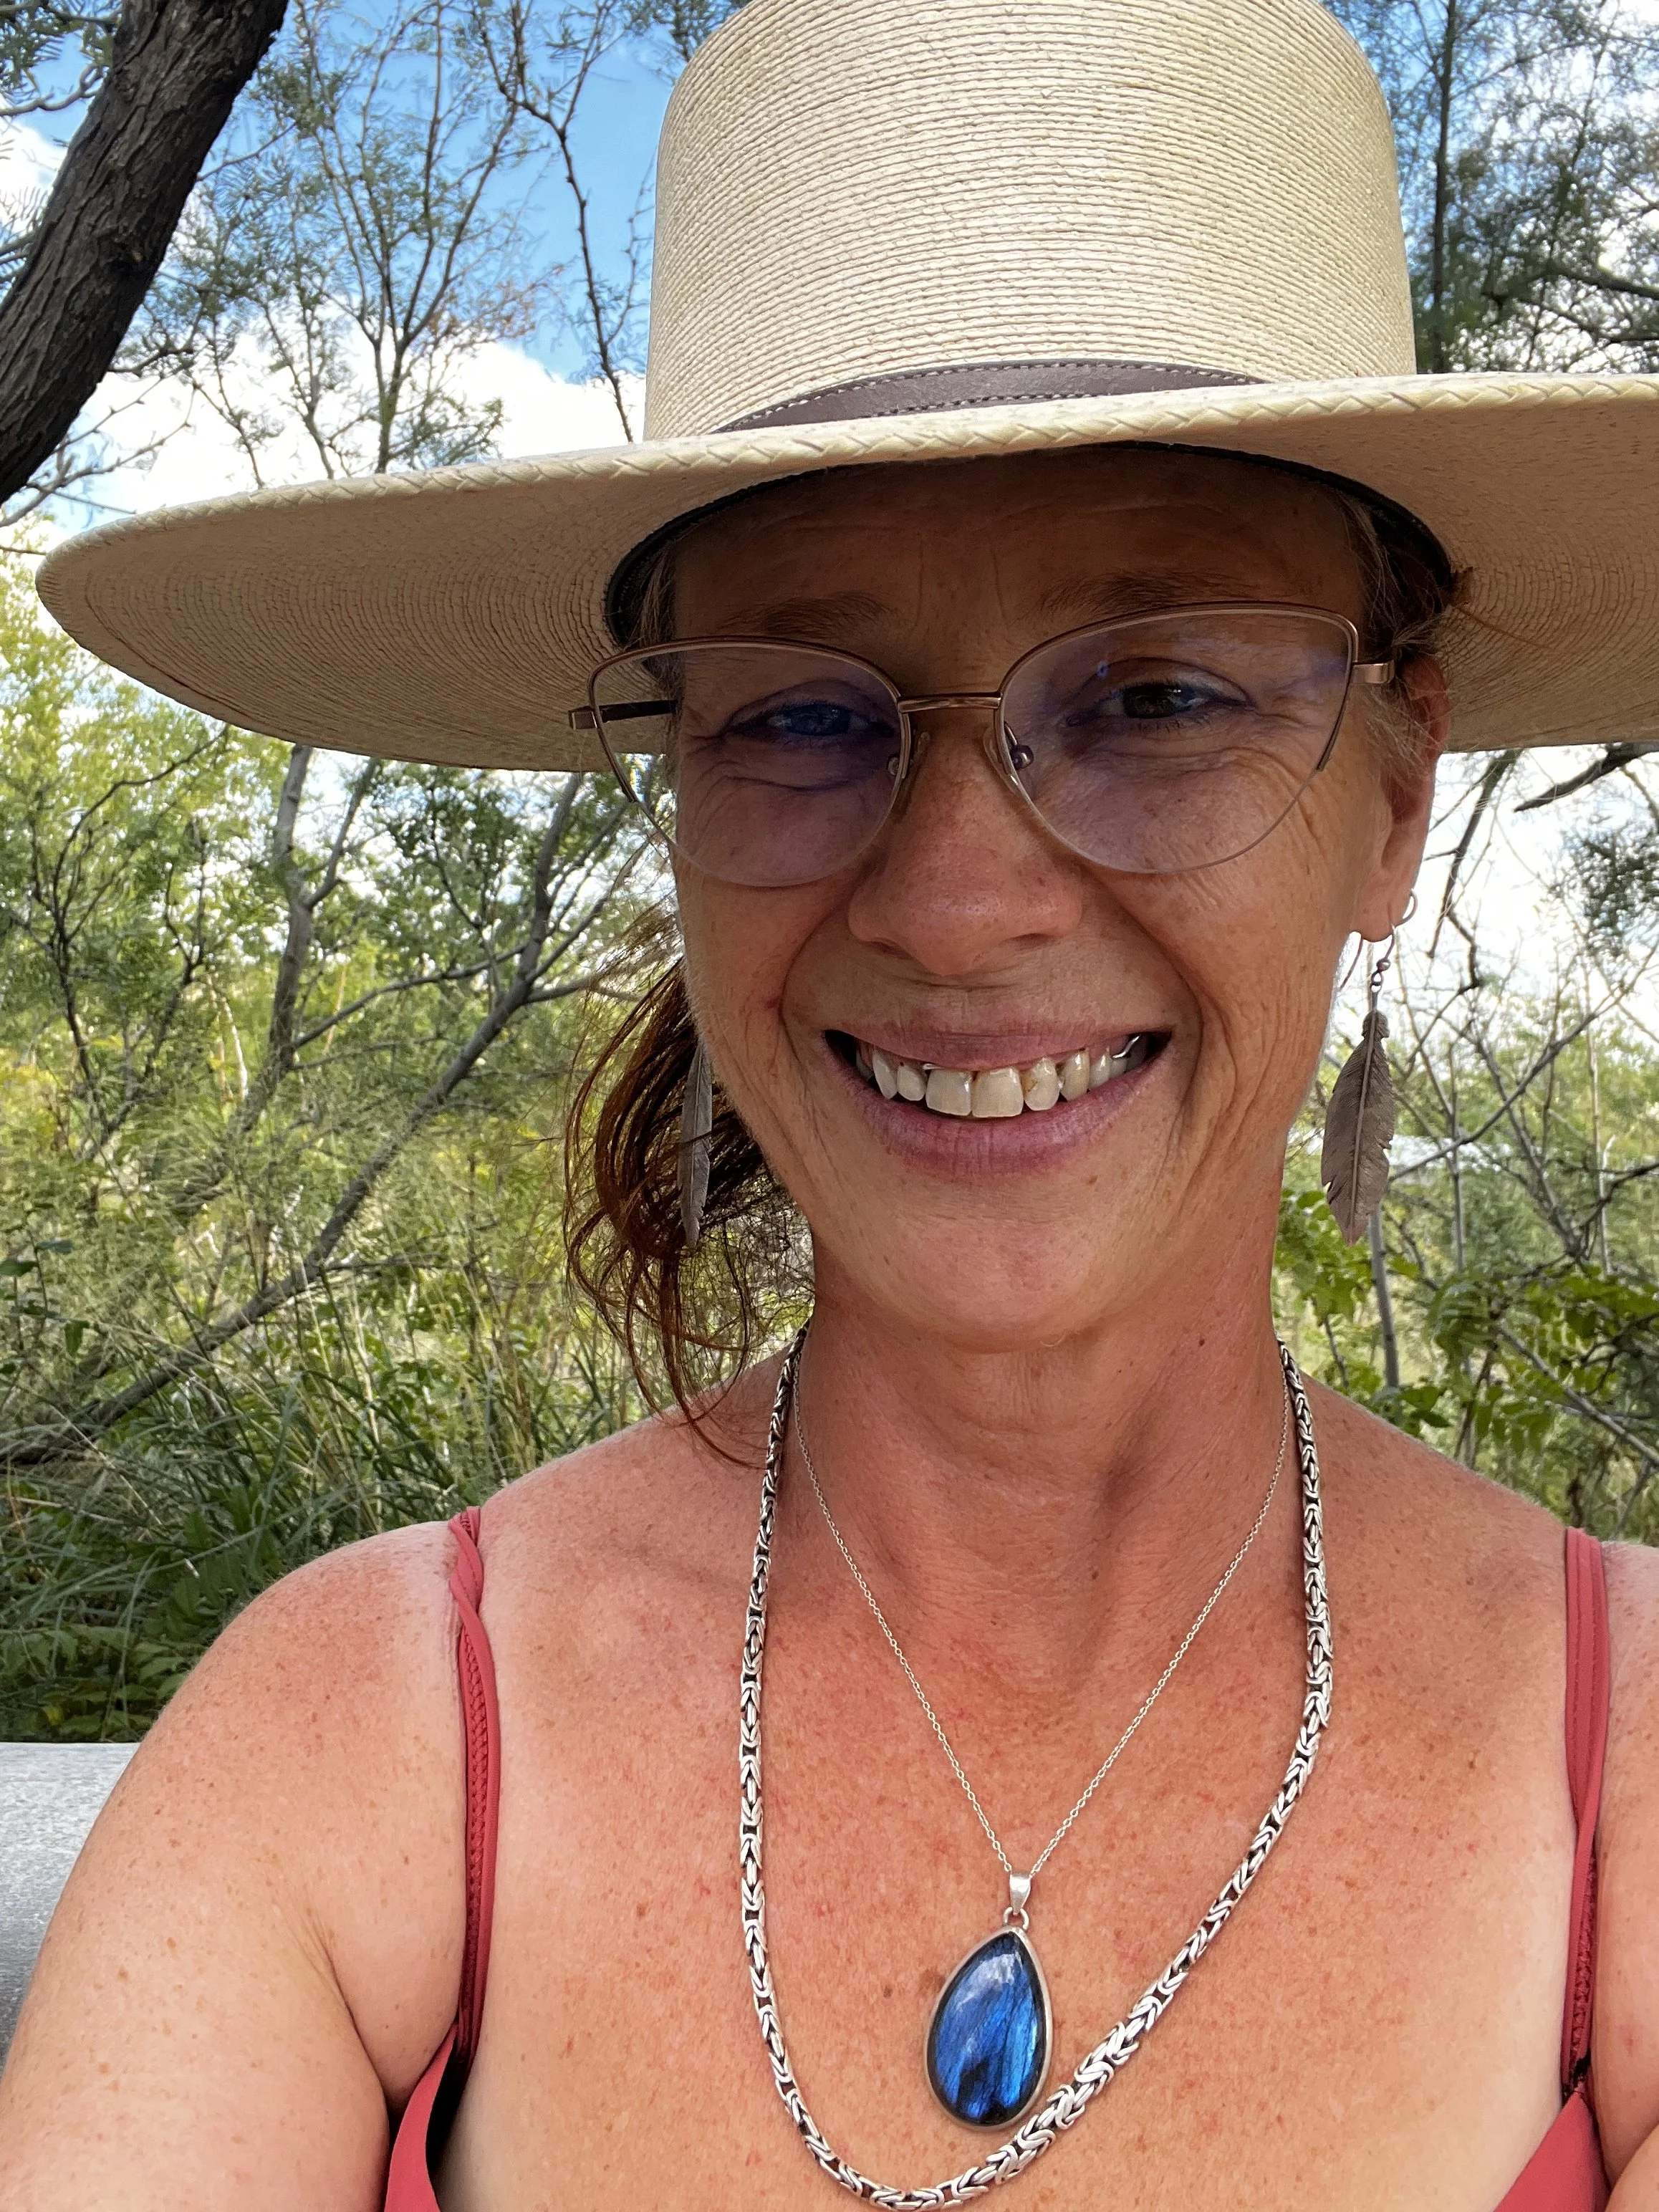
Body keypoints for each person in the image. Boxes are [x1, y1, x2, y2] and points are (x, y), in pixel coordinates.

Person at [6, 0, 1659, 2203]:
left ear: (1393, 797)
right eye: (795, 715)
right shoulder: (357, 1747)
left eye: (1159, 694)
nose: (958, 904)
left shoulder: (1628, 1775)